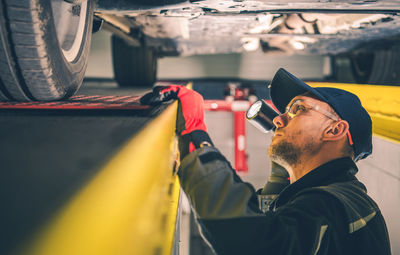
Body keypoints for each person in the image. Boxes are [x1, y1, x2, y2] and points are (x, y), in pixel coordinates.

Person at [141, 68, 391, 255]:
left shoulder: (335, 205)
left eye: (297, 110)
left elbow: (254, 241)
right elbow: (273, 221)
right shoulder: (338, 201)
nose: (279, 120)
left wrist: (194, 133)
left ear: (335, 130)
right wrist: (281, 181)